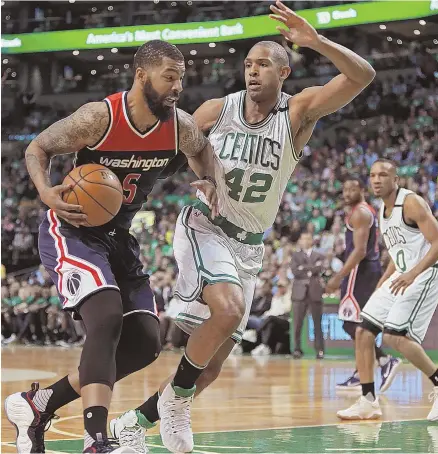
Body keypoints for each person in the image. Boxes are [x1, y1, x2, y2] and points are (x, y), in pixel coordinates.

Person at [111, 2, 376, 452]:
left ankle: (132, 423)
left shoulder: (298, 113)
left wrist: (316, 42)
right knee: (230, 312)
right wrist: (157, 178)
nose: (252, 72)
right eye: (248, 64)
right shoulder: (218, 108)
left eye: (263, 65)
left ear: (284, 73)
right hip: (205, 227)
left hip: (250, 249)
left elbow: (362, 76)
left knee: (210, 367)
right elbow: (172, 147)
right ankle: (176, 403)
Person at [4, 40, 218, 454]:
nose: (177, 85)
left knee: (144, 343)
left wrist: (206, 178)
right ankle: (96, 440)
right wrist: (46, 192)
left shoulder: (181, 126)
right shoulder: (99, 117)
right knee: (105, 316)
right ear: (142, 75)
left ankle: (39, 404)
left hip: (119, 237)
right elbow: (38, 147)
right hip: (73, 229)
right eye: (169, 76)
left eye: (181, 77)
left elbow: (202, 152)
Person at [337, 159, 438, 421]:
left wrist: (411, 274)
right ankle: (367, 400)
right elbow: (398, 253)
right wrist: (384, 280)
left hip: (426, 273)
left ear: (395, 180)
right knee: (363, 331)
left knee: (394, 337)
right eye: (373, 175)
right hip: (401, 273)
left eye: (383, 175)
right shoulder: (381, 209)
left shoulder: (410, 202)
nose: (377, 179)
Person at [326, 177, 400, 391]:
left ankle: (385, 361)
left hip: (361, 273)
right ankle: (361, 371)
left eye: (351, 189)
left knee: (353, 324)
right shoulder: (364, 210)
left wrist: (339, 276)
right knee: (355, 324)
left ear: (361, 190)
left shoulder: (360, 212)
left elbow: (359, 251)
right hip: (365, 271)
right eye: (344, 190)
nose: (347, 193)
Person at [290, 232, 325, 359]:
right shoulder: (295, 255)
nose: (305, 240)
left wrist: (303, 268)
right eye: (303, 238)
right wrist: (311, 270)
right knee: (297, 323)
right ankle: (297, 349)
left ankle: (319, 350)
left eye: (307, 238)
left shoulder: (319, 255)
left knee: (317, 323)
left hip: (314, 292)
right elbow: (295, 271)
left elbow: (319, 269)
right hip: (299, 293)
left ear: (312, 241)